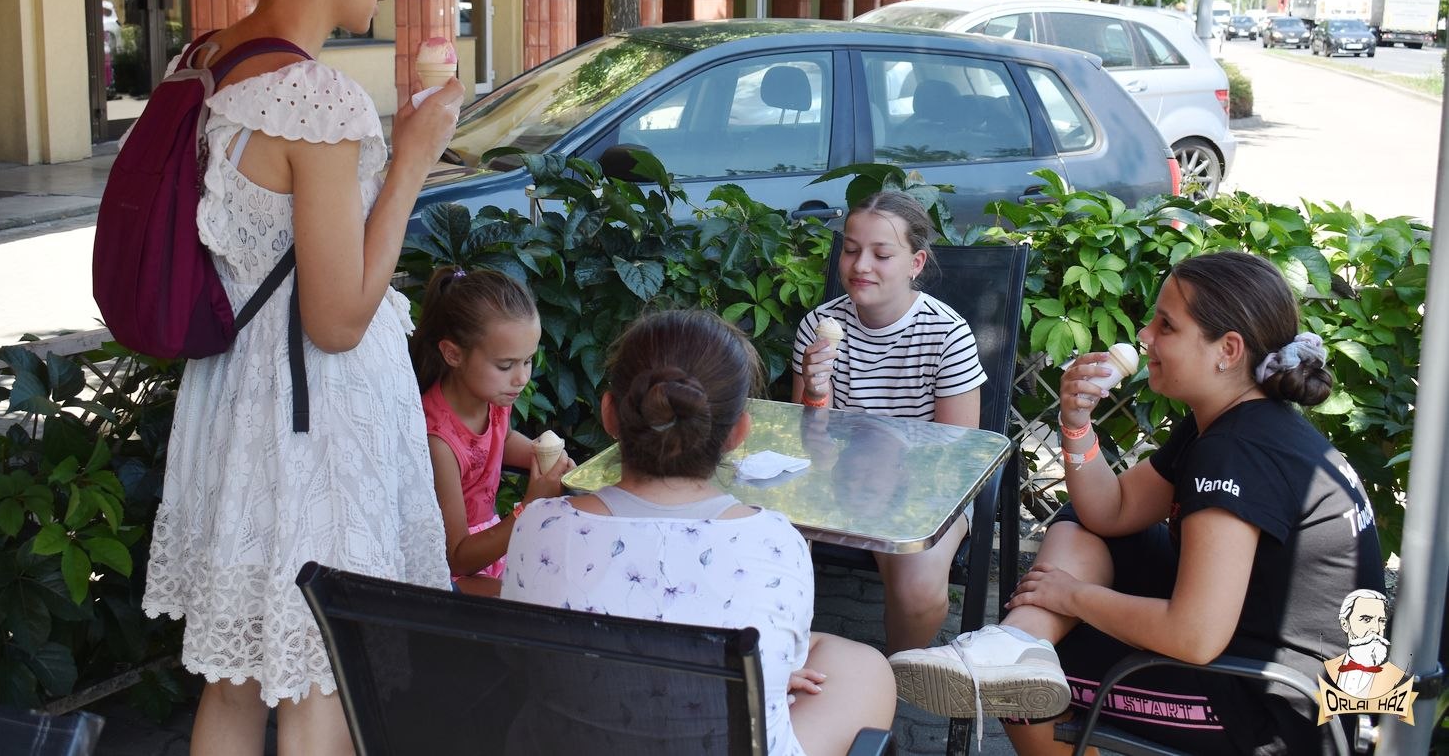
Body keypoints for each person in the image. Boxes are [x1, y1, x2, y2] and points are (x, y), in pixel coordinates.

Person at [140, 0, 464, 755]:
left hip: (233, 405)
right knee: (323, 680)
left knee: (237, 685)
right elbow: (337, 319)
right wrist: (411, 159)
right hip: (310, 430)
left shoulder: (205, 61)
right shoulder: (315, 99)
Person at [888, 251, 1386, 755]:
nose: (1145, 335)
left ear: (1228, 350)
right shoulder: (1233, 420)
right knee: (1082, 531)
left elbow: (1194, 635)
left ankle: (1013, 654)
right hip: (1271, 660)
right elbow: (1112, 510)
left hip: (1285, 710)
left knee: (1024, 691)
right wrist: (1075, 423)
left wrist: (1073, 596)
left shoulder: (1237, 451)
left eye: (1166, 325)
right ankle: (1015, 643)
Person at [503, 310, 896, 756]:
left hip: (572, 740)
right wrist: (773, 675)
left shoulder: (539, 526)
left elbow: (524, 659)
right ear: (739, 433)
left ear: (609, 415)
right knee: (865, 667)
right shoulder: (776, 541)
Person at [792, 190, 985, 652]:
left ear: (916, 263)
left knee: (918, 591)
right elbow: (808, 445)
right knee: (772, 547)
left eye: (881, 254)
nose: (861, 266)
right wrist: (815, 392)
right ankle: (783, 662)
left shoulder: (946, 334)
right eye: (851, 250)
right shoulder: (818, 326)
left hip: (923, 486)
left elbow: (955, 460)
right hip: (835, 476)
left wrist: (883, 481)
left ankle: (894, 674)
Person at [409, 265, 572, 594]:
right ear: (453, 354)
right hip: (452, 572)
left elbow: (502, 438)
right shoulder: (438, 440)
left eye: (528, 360)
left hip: (490, 544)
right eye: (506, 365)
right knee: (532, 600)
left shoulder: (492, 396)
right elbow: (456, 558)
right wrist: (530, 505)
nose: (521, 378)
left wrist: (540, 458)